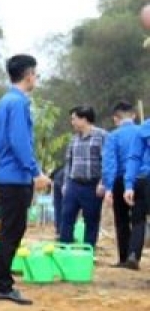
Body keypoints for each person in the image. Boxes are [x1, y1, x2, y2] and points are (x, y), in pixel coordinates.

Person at [0, 54, 51, 304]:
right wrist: (35, 172)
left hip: (4, 173)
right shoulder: (18, 103)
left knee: (9, 228)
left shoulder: (4, 101)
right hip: (16, 177)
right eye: (36, 74)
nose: (36, 78)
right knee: (13, 230)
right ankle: (2, 284)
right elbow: (19, 141)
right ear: (29, 74)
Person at [57, 105, 105, 247]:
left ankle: (87, 251)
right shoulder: (73, 139)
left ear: (84, 119)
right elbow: (68, 162)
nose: (72, 122)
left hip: (92, 185)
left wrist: (103, 182)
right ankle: (64, 247)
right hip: (73, 184)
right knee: (66, 216)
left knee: (91, 219)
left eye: (74, 119)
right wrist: (66, 183)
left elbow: (107, 162)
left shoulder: (101, 136)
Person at [101, 101, 141, 267]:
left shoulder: (114, 136)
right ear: (134, 115)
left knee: (122, 219)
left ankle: (124, 257)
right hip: (142, 179)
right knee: (139, 219)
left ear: (116, 118)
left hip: (120, 179)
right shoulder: (143, 132)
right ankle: (134, 254)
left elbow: (110, 163)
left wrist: (108, 187)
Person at [120, 112, 150, 268]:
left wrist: (129, 185)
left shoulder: (143, 128)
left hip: (143, 179)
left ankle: (133, 254)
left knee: (138, 220)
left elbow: (134, 158)